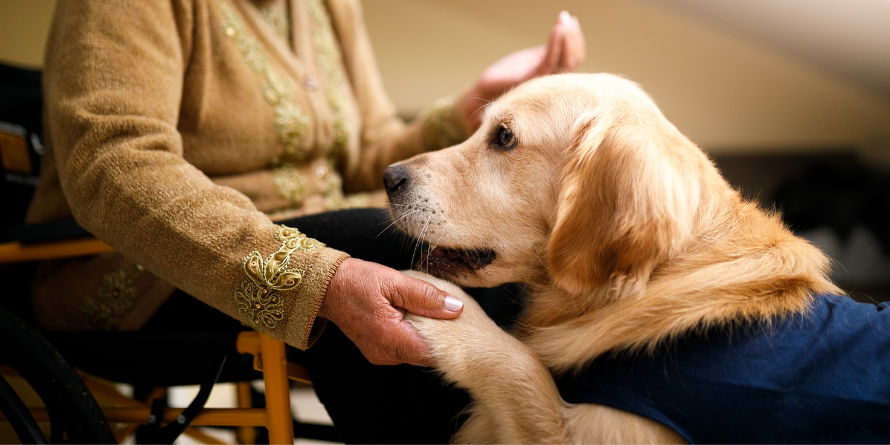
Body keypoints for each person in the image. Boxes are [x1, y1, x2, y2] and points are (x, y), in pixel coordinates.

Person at [25, 0, 584, 441]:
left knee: (504, 265)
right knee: (405, 264)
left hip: (318, 229)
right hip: (138, 270)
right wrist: (319, 279)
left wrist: (472, 105)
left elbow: (368, 152)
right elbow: (110, 164)